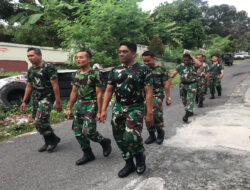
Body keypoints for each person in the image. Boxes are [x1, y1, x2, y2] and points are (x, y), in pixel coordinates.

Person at [100, 42, 153, 178]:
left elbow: (148, 92)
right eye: (120, 51)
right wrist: (103, 110)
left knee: (131, 136)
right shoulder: (114, 70)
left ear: (134, 53)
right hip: (118, 107)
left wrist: (149, 112)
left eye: (125, 51)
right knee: (119, 137)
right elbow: (109, 90)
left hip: (135, 107)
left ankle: (140, 158)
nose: (121, 54)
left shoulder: (144, 69)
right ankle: (129, 163)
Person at [66, 50, 112, 166]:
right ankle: (88, 154)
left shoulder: (95, 74)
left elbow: (99, 94)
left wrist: (101, 111)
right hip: (79, 104)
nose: (78, 59)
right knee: (78, 132)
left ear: (89, 59)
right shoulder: (76, 74)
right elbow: (73, 92)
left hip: (91, 104)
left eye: (81, 57)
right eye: (77, 58)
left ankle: (104, 142)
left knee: (89, 131)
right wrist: (69, 108)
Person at [20, 47, 62, 152]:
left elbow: (55, 86)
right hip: (35, 98)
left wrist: (58, 102)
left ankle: (53, 140)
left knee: (41, 120)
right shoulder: (31, 69)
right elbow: (29, 86)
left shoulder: (49, 67)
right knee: (37, 122)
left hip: (47, 97)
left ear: (39, 55)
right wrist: (24, 101)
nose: (30, 58)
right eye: (28, 56)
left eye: (32, 55)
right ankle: (49, 140)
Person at [142, 51, 171, 145]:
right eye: (144, 61)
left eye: (148, 61)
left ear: (153, 58)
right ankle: (151, 134)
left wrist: (168, 98)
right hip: (144, 96)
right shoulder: (142, 70)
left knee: (155, 114)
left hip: (157, 95)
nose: (146, 63)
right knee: (146, 115)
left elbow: (166, 85)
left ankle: (160, 132)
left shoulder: (161, 70)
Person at [170, 54, 201, 122]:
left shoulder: (193, 65)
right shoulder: (180, 66)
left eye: (187, 60)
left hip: (191, 85)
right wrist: (170, 80)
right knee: (184, 100)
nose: (186, 61)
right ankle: (190, 110)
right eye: (184, 60)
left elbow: (199, 64)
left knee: (190, 99)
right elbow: (174, 73)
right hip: (183, 85)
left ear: (190, 60)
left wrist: (193, 57)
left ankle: (187, 114)